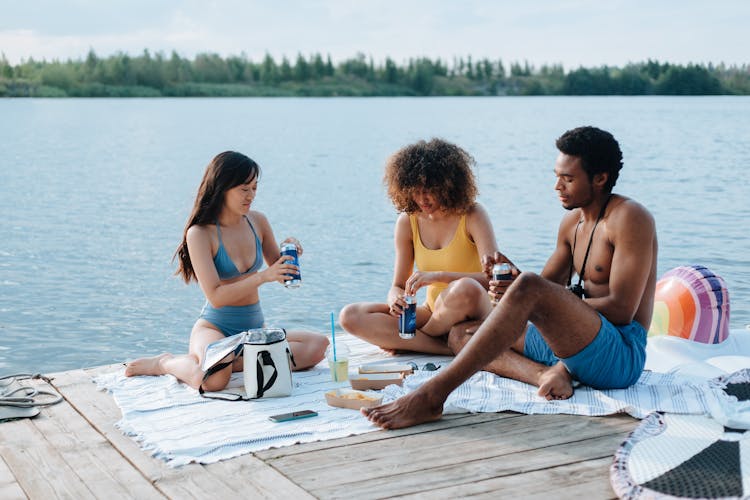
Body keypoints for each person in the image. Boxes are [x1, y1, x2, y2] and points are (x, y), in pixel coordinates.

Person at [363, 126, 658, 429]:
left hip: (618, 354)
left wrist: (528, 291)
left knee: (529, 287)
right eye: (556, 176)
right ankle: (548, 374)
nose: (557, 186)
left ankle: (432, 396)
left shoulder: (629, 218)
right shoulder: (572, 223)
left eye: (568, 179)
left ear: (600, 178)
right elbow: (547, 294)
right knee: (461, 334)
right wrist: (511, 282)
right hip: (571, 346)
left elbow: (622, 310)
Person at [125, 151, 328, 391]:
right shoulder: (200, 234)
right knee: (213, 381)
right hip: (216, 328)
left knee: (318, 346)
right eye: (244, 189)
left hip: (253, 330)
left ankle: (233, 361)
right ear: (222, 188)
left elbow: (282, 274)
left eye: (254, 188)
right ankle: (165, 362)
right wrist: (262, 277)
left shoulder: (258, 221)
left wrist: (289, 252)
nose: (251, 195)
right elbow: (216, 296)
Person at [339, 138, 500, 355]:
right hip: (434, 315)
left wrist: (438, 276)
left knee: (465, 287)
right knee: (350, 316)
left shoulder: (472, 215)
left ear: (449, 185)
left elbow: (493, 281)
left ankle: (411, 341)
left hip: (474, 308)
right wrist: (395, 300)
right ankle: (445, 347)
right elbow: (397, 285)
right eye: (415, 190)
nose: (422, 198)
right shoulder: (408, 222)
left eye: (430, 190)